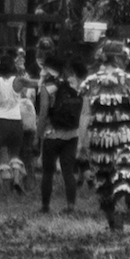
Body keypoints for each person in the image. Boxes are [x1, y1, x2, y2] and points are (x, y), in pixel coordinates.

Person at [75, 36, 130, 231]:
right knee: (123, 173)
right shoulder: (129, 81)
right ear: (119, 58)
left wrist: (81, 142)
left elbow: (85, 114)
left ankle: (112, 220)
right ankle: (120, 208)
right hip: (125, 136)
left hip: (98, 139)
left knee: (103, 178)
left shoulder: (90, 82)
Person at [37, 52, 84, 213]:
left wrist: (39, 134)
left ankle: (45, 206)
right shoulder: (74, 84)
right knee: (68, 171)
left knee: (48, 172)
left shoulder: (47, 88)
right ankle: (71, 205)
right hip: (72, 134)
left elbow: (43, 114)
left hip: (52, 134)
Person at [0, 50, 30, 195]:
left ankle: (6, 190)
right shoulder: (18, 81)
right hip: (16, 121)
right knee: (15, 154)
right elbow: (34, 85)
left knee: (3, 156)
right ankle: (17, 180)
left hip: (0, 121)